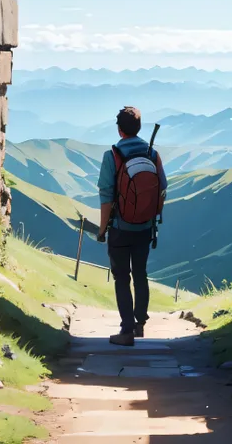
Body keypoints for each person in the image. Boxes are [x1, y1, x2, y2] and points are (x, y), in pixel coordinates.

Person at [97, 106, 167, 346]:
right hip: (145, 228)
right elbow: (162, 190)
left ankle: (126, 331)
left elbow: (106, 196)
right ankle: (140, 324)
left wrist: (102, 229)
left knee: (121, 278)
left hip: (119, 228)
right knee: (140, 274)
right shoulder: (152, 155)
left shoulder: (113, 155)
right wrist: (152, 216)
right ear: (139, 128)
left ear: (119, 130)